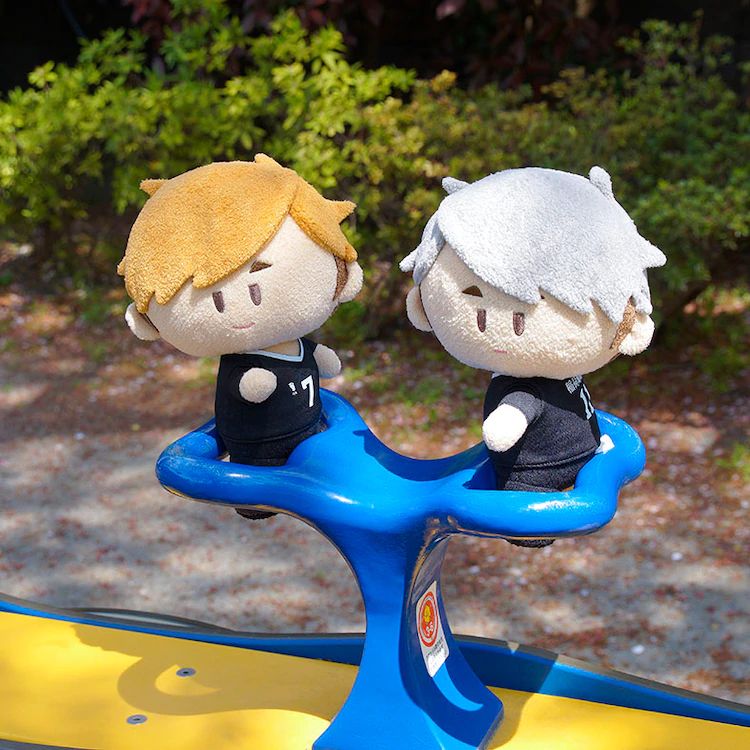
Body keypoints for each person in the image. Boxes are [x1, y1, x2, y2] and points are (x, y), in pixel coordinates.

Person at [400, 166, 665, 544]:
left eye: (520, 318)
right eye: (480, 311)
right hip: (535, 477)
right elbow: (506, 424)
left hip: (577, 457)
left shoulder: (551, 378)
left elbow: (520, 419)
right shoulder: (526, 390)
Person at [119, 155, 363, 517]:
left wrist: (319, 356)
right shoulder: (243, 359)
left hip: (312, 431)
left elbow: (308, 354)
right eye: (216, 298)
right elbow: (245, 384)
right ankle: (257, 505)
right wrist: (252, 383)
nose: (246, 299)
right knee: (259, 495)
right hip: (257, 446)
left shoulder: (294, 341)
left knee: (324, 476)